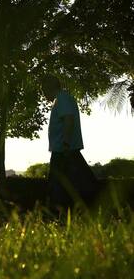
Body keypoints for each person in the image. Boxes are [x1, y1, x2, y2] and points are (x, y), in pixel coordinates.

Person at [41, 75, 97, 207]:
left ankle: (62, 217)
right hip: (65, 149)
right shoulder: (62, 99)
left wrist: (65, 144)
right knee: (78, 185)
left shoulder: (62, 99)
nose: (43, 95)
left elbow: (68, 120)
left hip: (64, 150)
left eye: (43, 91)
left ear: (48, 88)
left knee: (61, 189)